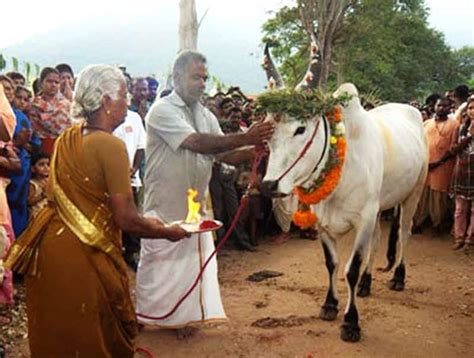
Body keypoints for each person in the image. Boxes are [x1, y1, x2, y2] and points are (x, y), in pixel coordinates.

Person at [4, 64, 189, 357]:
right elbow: (126, 218)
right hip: (85, 255)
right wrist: (166, 231)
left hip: (50, 253)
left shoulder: (67, 138)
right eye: (123, 96)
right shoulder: (111, 146)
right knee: (92, 340)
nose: (127, 103)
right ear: (105, 101)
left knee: (61, 340)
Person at [136, 50, 274, 339]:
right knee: (157, 262)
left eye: (204, 78)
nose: (202, 83)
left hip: (193, 206)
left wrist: (251, 151)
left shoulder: (205, 114)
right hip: (164, 203)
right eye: (195, 77)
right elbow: (197, 143)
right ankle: (146, 315)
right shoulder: (162, 110)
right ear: (176, 78)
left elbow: (222, 153)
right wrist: (247, 137)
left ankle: (182, 319)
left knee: (188, 264)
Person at [414, 97, 459, 233]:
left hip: (443, 167)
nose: (441, 108)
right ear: (435, 107)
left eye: (445, 106)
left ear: (450, 108)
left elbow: (453, 148)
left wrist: (438, 162)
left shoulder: (455, 125)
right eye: (439, 106)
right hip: (425, 165)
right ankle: (419, 222)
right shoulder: (427, 123)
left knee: (439, 198)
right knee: (422, 196)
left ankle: (438, 224)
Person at [113, 109, 147, 270]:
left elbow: (141, 146)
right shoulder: (105, 118)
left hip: (131, 177)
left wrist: (133, 168)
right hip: (111, 177)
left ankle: (132, 252)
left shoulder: (134, 117)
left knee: (130, 214)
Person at [31, 67, 72, 155]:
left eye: (56, 82)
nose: (53, 85)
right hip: (42, 147)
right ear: (41, 83)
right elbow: (33, 128)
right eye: (49, 81)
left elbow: (68, 126)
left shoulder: (66, 104)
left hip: (64, 145)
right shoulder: (34, 105)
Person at [27, 152, 50, 219]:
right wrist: (43, 195)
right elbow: (29, 202)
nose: (46, 167)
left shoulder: (49, 181)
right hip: (37, 216)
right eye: (41, 165)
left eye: (48, 164)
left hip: (48, 214)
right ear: (33, 169)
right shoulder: (33, 184)